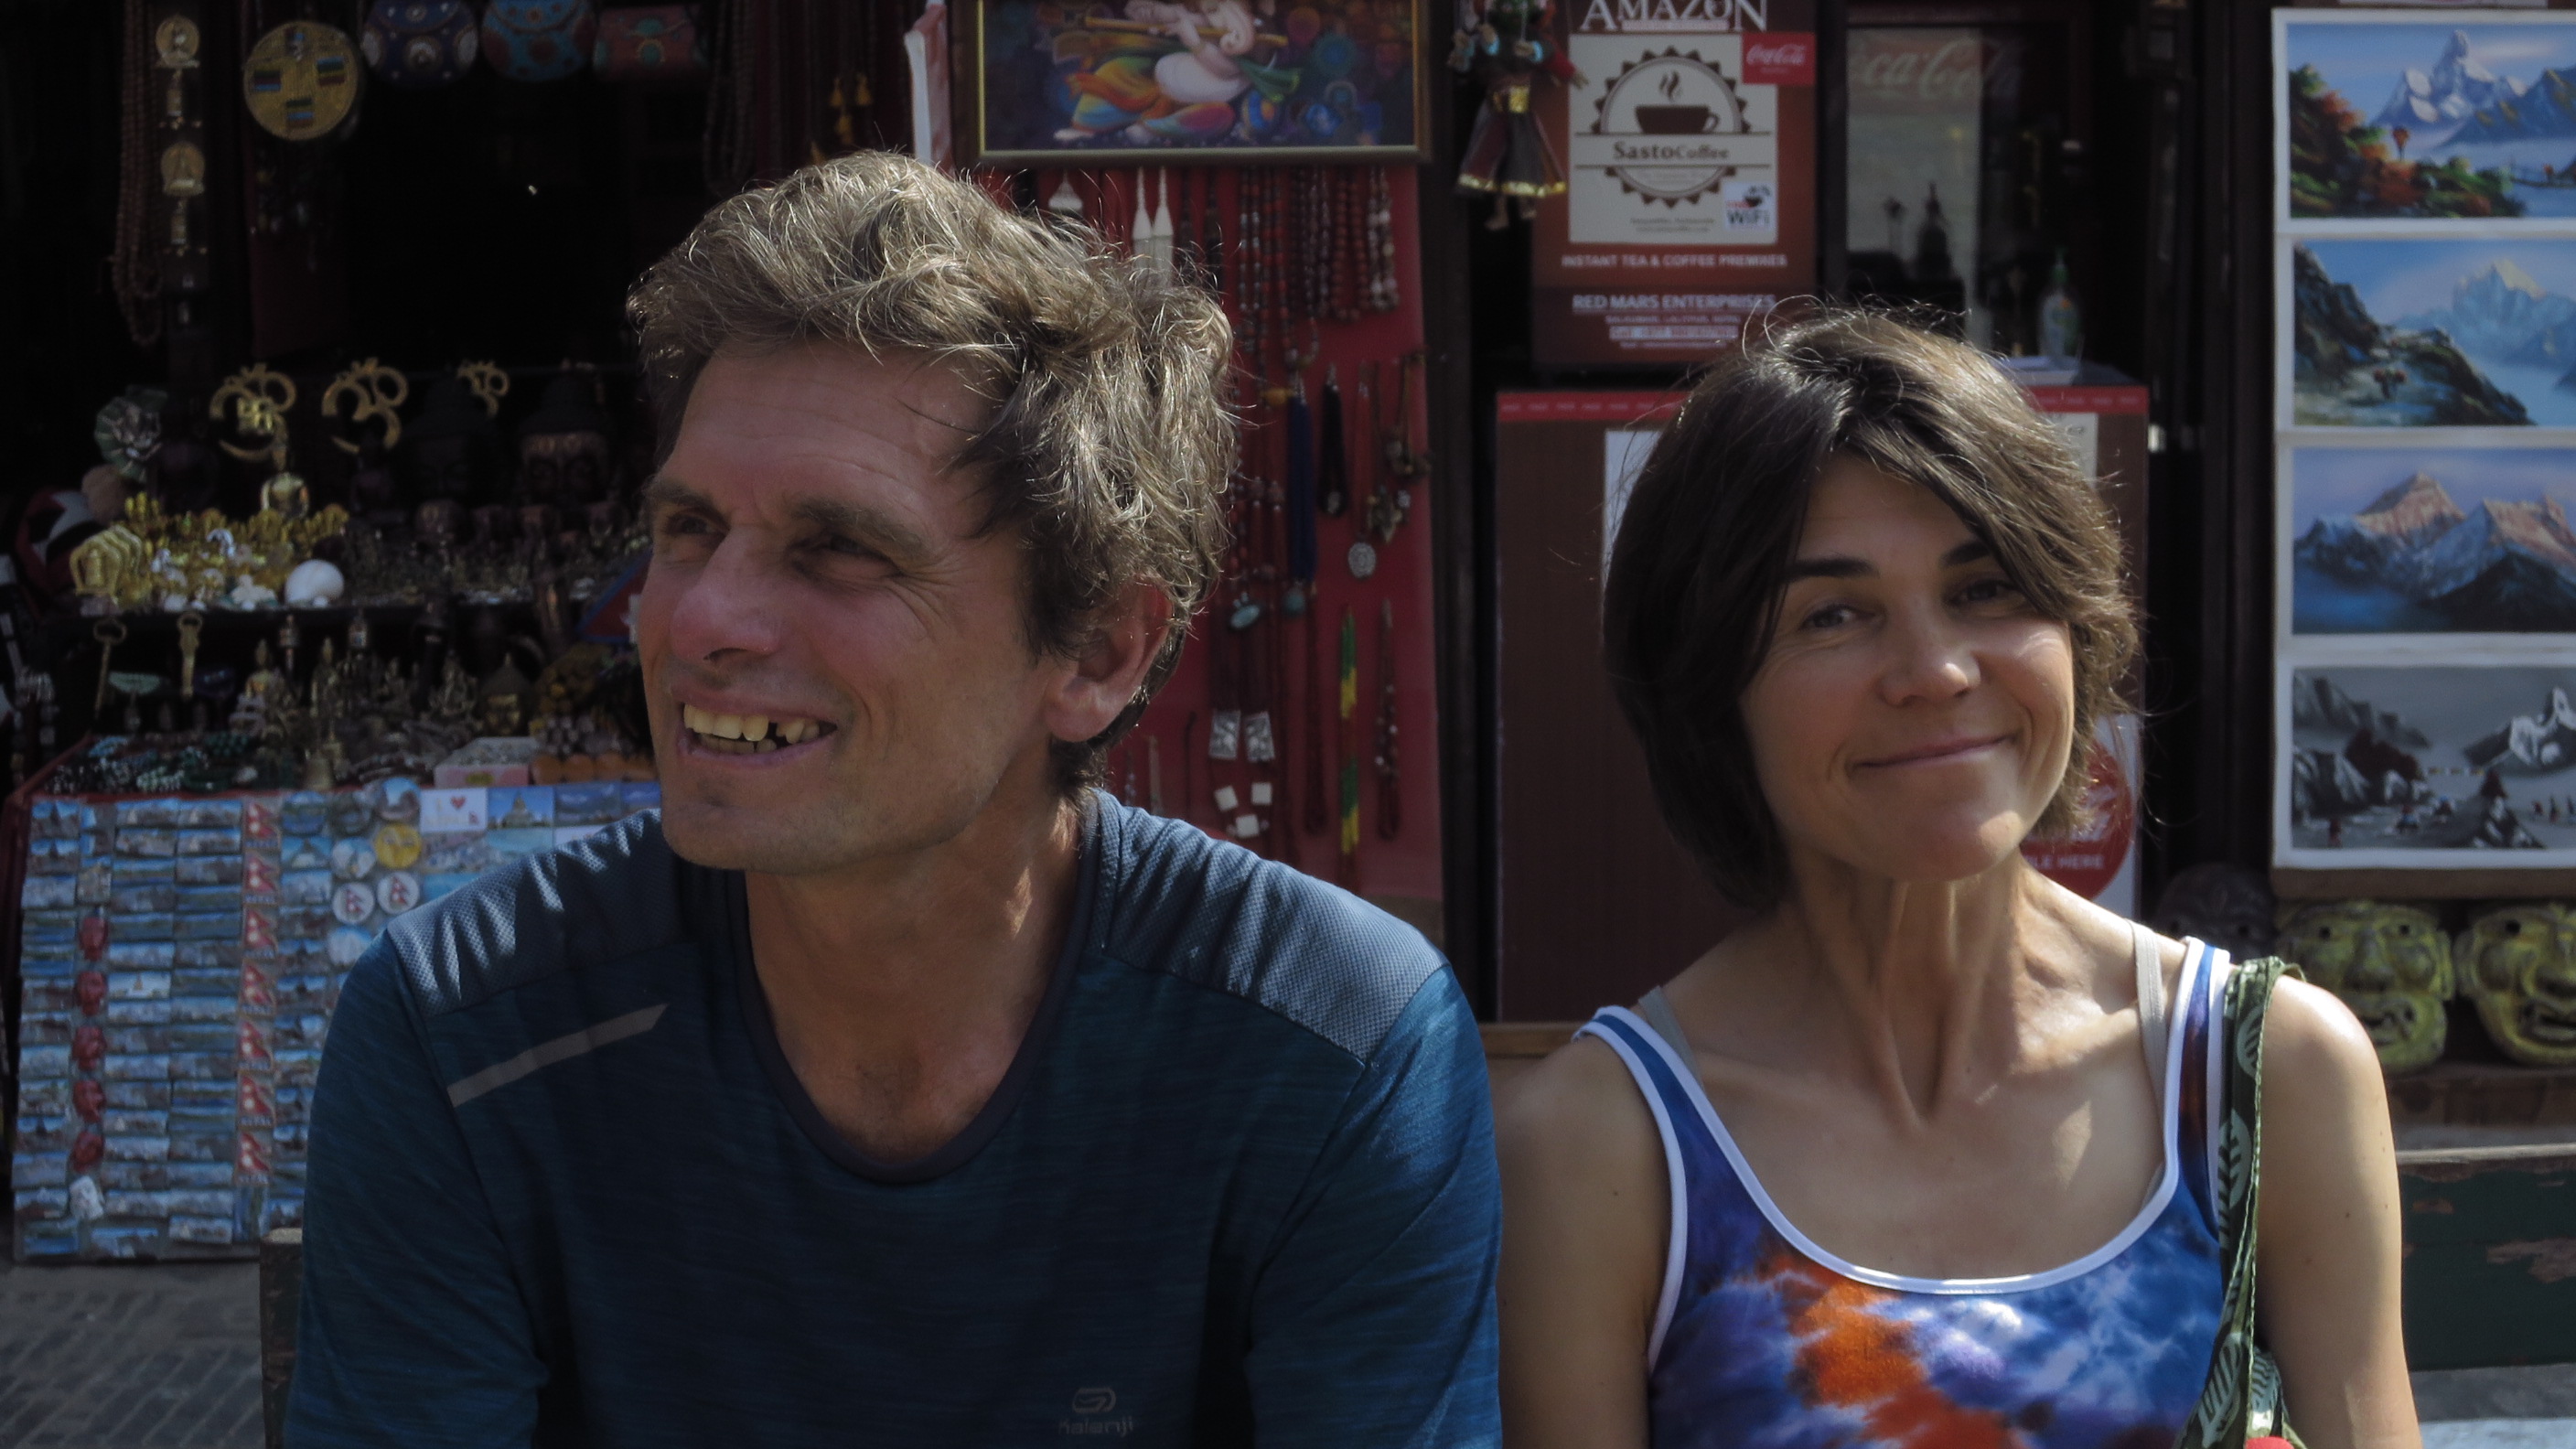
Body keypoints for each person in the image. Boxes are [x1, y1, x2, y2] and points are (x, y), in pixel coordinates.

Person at [288, 153, 1499, 1447]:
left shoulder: (1332, 1047)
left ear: (1096, 652)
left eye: (840, 549)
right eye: (688, 531)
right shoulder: (466, 1034)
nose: (697, 618)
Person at [1498, 313, 2418, 1449]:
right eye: (1831, 615)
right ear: (1706, 698)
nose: (1933, 672)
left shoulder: (2263, 1071)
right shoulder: (1603, 1149)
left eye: (1984, 590)